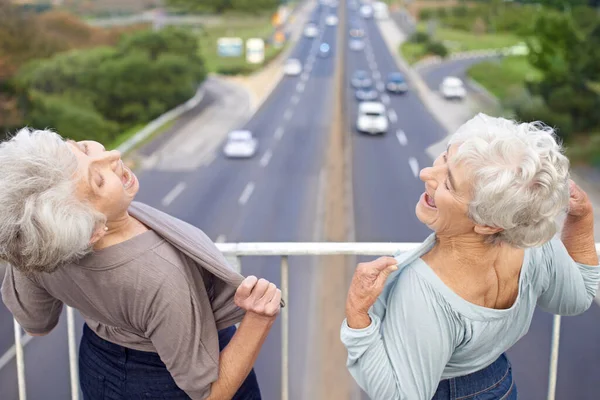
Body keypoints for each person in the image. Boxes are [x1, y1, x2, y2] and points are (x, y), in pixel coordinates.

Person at [0, 128, 283, 400]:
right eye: (98, 180)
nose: (113, 155)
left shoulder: (35, 243)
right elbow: (211, 394)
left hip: (99, 363)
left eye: (82, 147)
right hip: (164, 382)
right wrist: (259, 318)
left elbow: (36, 323)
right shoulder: (160, 276)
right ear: (92, 231)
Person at [341, 113, 600, 399]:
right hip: (500, 385)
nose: (426, 174)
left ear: (488, 223)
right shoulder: (533, 241)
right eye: (444, 157)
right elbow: (577, 298)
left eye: (449, 184)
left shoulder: (424, 290)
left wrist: (358, 317)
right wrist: (582, 220)